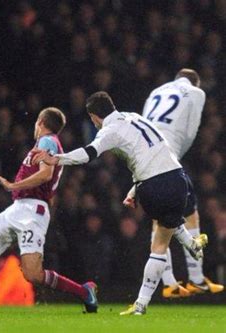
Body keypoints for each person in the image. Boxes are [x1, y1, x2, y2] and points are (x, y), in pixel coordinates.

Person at [32, 92, 207, 315]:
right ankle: (192, 244)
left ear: (94, 116)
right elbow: (156, 150)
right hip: (178, 178)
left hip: (153, 184)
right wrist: (136, 187)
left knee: (159, 245)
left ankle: (141, 305)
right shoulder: (135, 117)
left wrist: (56, 158)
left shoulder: (109, 130)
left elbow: (88, 154)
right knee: (168, 220)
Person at [0, 107, 98, 313]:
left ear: (41, 121)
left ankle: (84, 291)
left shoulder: (47, 141)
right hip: (20, 207)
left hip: (32, 212)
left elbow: (45, 174)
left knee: (33, 275)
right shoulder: (46, 144)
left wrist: (13, 186)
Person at [142, 68, 223, 297]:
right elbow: (190, 132)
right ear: (195, 82)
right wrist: (177, 156)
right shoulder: (195, 92)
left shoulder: (156, 91)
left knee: (159, 219)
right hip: (167, 157)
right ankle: (195, 280)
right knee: (190, 215)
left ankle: (170, 283)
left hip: (143, 154)